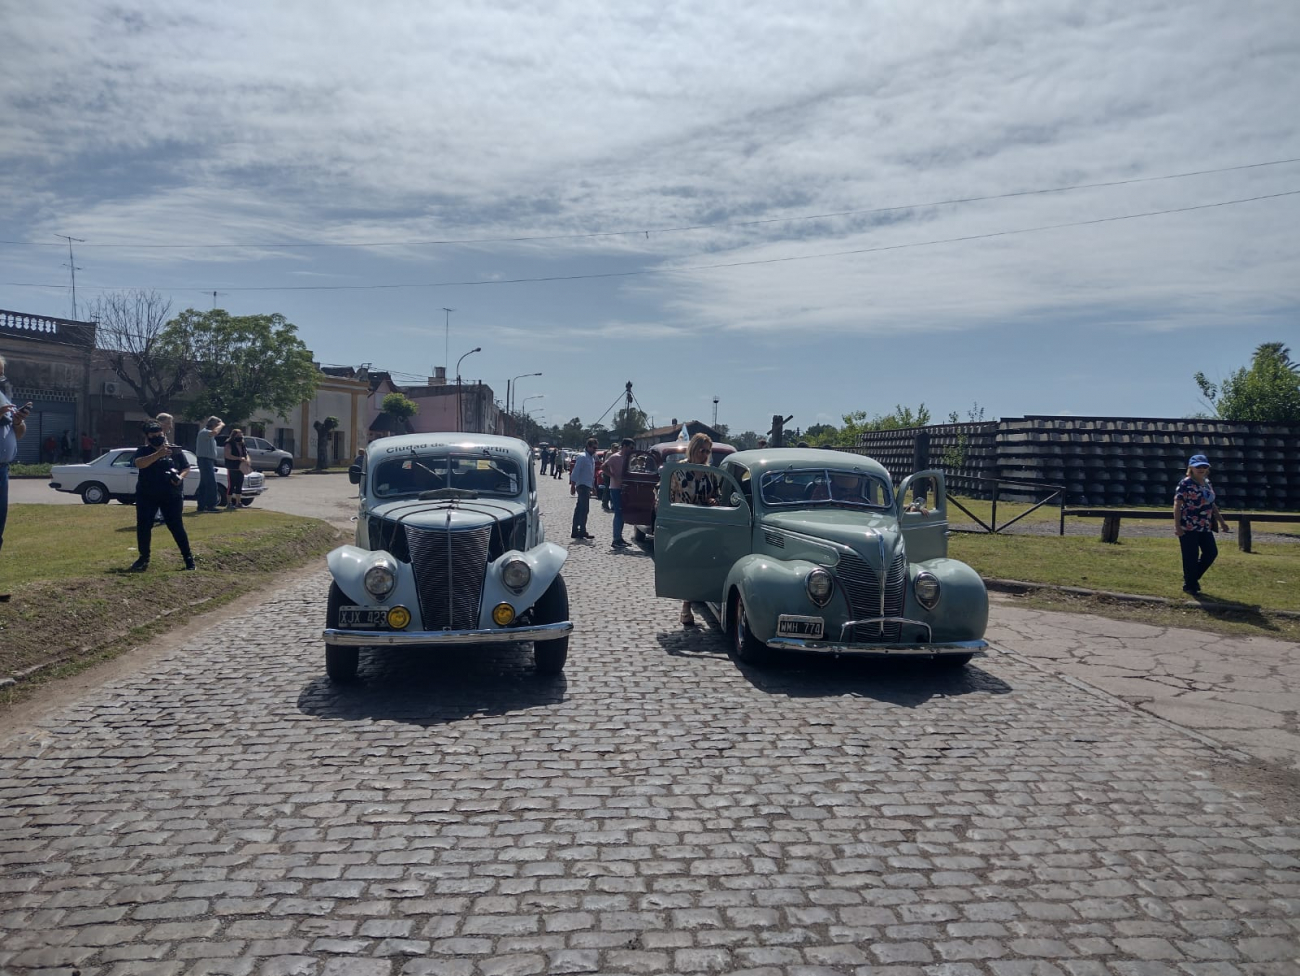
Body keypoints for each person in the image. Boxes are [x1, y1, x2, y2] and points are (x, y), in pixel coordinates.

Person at [129, 421, 195, 571]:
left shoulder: (174, 450)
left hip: (171, 494)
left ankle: (188, 558)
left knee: (176, 526)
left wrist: (180, 477)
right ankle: (143, 557)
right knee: (144, 526)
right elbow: (139, 464)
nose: (158, 437)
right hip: (147, 494)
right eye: (154, 435)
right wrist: (158, 454)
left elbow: (185, 467)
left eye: (160, 434)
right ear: (147, 437)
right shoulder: (143, 451)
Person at [671, 433, 719, 626]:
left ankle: (703, 599)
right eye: (702, 450)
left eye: (708, 451)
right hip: (684, 523)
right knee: (688, 566)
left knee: (703, 565)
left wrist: (714, 501)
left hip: (705, 524)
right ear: (694, 448)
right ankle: (686, 605)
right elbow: (665, 495)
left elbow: (717, 493)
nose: (705, 454)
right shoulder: (679, 470)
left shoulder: (710, 472)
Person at [1174, 454, 1229, 595]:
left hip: (1204, 525)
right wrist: (1177, 526)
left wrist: (1221, 521)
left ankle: (1192, 578)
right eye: (1198, 467)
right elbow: (1177, 504)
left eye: (1204, 466)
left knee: (1211, 553)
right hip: (1188, 525)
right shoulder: (1185, 483)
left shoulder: (1207, 482)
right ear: (1191, 467)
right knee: (1190, 556)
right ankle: (1190, 585)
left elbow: (1212, 504)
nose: (1201, 469)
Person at [0, 354, 33, 573]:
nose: (1, 376)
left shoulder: (3, 396)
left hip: (2, 470)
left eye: (2, 372)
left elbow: (18, 433)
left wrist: (19, 421)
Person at [605, 437, 634, 547]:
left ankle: (620, 537)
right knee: (618, 512)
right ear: (625, 446)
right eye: (630, 447)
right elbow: (604, 467)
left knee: (622, 513)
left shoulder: (628, 458)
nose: (631, 450)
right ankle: (615, 539)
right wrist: (613, 476)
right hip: (615, 488)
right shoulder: (615, 457)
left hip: (625, 488)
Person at [569, 437, 599, 541]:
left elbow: (591, 474)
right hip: (582, 486)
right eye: (593, 448)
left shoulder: (592, 458)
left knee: (580, 509)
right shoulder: (582, 457)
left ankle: (576, 530)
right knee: (584, 509)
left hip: (587, 485)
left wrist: (593, 487)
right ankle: (581, 531)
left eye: (596, 448)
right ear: (588, 446)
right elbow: (575, 472)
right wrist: (573, 486)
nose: (595, 450)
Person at [194, 416, 224, 513]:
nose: (217, 427)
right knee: (211, 483)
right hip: (204, 460)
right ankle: (211, 505)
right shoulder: (204, 432)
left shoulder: (209, 435)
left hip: (208, 460)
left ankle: (201, 505)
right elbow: (214, 432)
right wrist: (221, 425)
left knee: (204, 484)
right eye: (216, 424)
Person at [224, 427, 249, 510]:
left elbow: (246, 454)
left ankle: (238, 502)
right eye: (238, 436)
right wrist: (238, 458)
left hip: (241, 468)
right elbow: (227, 455)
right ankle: (229, 503)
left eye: (241, 436)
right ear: (234, 436)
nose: (240, 437)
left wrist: (247, 460)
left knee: (239, 486)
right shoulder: (229, 444)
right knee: (231, 486)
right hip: (232, 468)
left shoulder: (242, 444)